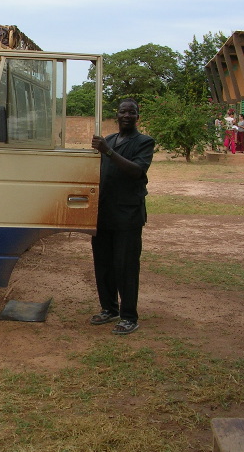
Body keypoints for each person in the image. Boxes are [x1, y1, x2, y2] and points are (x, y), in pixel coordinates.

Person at [89, 98, 155, 335]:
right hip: (104, 213)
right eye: (123, 111)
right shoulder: (109, 140)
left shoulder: (144, 142)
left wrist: (107, 151)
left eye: (132, 112)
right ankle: (109, 308)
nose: (126, 115)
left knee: (125, 266)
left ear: (138, 117)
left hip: (128, 214)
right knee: (103, 263)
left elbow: (136, 171)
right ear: (116, 115)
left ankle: (129, 316)